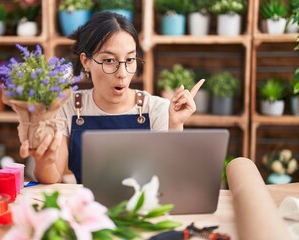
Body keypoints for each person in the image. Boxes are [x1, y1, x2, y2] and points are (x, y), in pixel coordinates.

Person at [20, 12, 204, 184]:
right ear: (86, 61)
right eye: (109, 60)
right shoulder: (67, 106)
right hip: (89, 210)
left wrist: (176, 126)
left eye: (130, 60)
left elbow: (170, 180)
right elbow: (52, 177)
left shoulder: (157, 109)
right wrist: (44, 162)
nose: (122, 73)